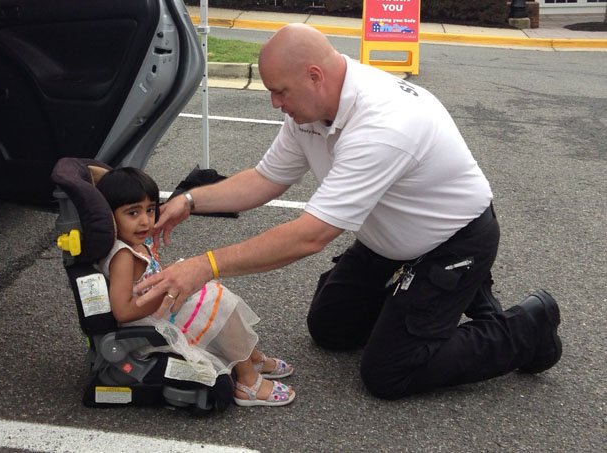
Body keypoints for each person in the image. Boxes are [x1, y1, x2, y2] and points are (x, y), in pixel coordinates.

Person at [134, 23, 562, 400]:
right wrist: (189, 201)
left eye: (279, 91)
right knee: (331, 331)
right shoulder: (311, 108)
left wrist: (205, 266)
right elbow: (267, 179)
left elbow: (310, 236)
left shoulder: (383, 125)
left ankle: (527, 326)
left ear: (315, 75)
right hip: (389, 241)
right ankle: (439, 296)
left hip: (454, 241)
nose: (274, 104)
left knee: (390, 372)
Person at [95, 167, 295, 407]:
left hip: (158, 308)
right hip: (149, 321)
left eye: (150, 210)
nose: (145, 220)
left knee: (215, 294)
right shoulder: (123, 257)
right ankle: (248, 382)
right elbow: (122, 312)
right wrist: (163, 297)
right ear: (110, 217)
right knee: (217, 304)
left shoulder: (136, 243)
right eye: (133, 213)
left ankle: (249, 358)